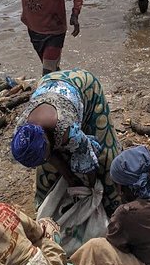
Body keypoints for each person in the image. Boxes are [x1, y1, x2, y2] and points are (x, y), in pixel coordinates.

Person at [11, 68, 120, 214]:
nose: (46, 158)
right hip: (48, 83)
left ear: (47, 141)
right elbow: (50, 157)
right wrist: (69, 177)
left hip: (84, 86)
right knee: (47, 170)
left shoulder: (67, 131)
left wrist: (91, 190)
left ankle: (113, 202)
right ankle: (44, 204)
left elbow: (87, 160)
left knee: (105, 155)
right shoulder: (22, 131)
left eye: (46, 154)